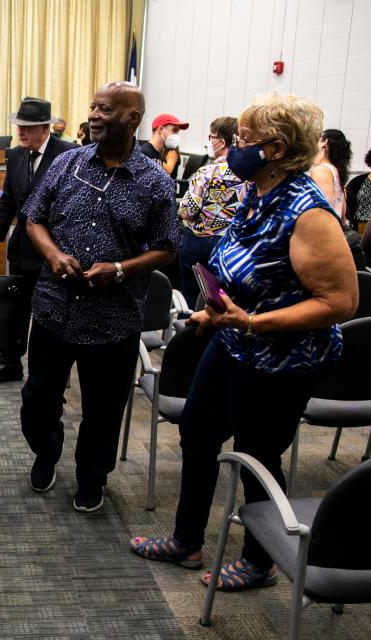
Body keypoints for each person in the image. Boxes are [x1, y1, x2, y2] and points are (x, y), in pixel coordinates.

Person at [131, 92, 358, 593]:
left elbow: (341, 302)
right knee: (197, 432)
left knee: (257, 455)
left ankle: (260, 561)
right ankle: (187, 540)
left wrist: (252, 322)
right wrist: (220, 311)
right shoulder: (256, 191)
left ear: (275, 150)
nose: (233, 147)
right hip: (233, 341)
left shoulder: (307, 213)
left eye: (243, 140)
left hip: (280, 359)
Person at [21, 82, 180, 512]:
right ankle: (46, 450)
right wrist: (53, 254)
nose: (93, 114)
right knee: (38, 398)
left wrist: (122, 269)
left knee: (103, 410)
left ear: (132, 118)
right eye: (92, 106)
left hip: (114, 318)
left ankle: (92, 477)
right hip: (55, 309)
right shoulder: (66, 163)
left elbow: (168, 246)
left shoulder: (154, 182)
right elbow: (33, 217)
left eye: (104, 109)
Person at [0, 97, 77, 383]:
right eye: (19, 126)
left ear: (45, 128)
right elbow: (9, 199)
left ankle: (46, 370)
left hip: (54, 250)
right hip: (21, 247)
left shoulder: (68, 154)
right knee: (15, 307)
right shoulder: (16, 155)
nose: (20, 132)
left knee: (48, 310)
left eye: (28, 127)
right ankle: (10, 362)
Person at [177, 116, 248, 307]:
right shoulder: (249, 175)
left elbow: (187, 210)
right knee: (222, 299)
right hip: (231, 243)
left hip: (199, 241)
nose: (209, 141)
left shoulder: (207, 172)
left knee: (191, 298)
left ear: (222, 142)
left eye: (211, 137)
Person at [310, 129, 366, 269]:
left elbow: (324, 211)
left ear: (325, 143)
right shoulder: (335, 171)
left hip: (325, 242)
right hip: (337, 237)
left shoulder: (321, 171)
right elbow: (342, 212)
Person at [139, 113, 188, 178]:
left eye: (177, 132)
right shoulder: (144, 153)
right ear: (161, 129)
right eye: (174, 130)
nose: (176, 135)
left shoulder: (158, 154)